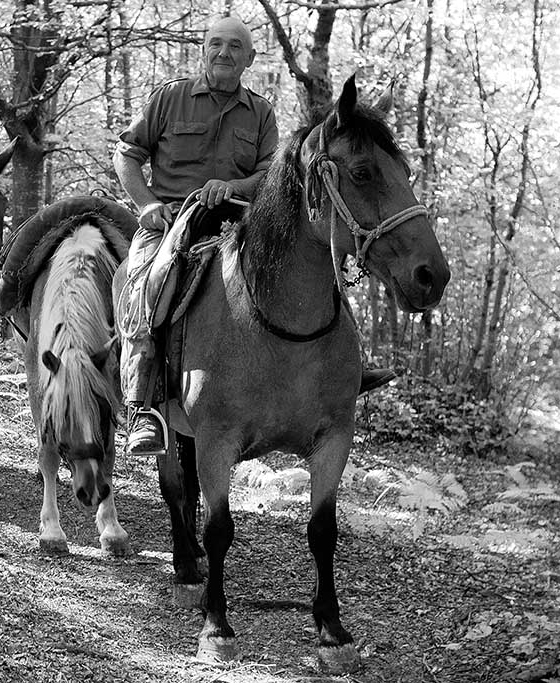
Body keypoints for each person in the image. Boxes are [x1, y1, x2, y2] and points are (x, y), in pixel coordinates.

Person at [113, 16, 393, 456]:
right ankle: (141, 405)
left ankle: (350, 367)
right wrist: (147, 203)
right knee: (149, 284)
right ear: (204, 50)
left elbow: (270, 173)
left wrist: (235, 187)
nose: (223, 53)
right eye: (215, 44)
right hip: (170, 222)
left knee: (318, 262)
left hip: (239, 220)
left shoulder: (260, 112)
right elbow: (127, 154)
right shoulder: (169, 98)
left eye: (233, 47)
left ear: (249, 58)